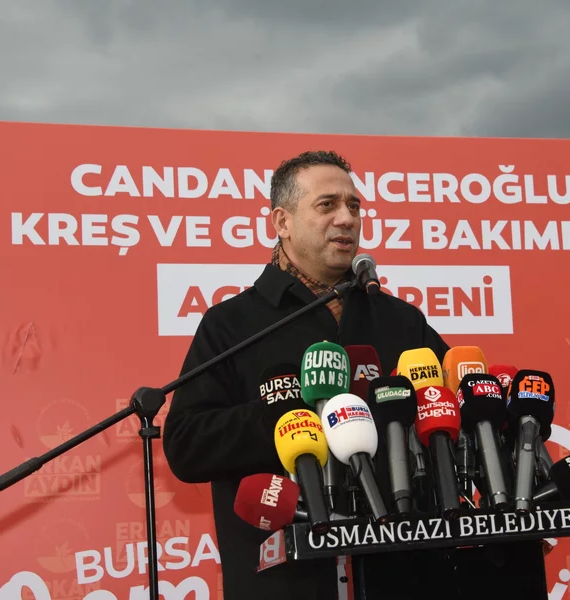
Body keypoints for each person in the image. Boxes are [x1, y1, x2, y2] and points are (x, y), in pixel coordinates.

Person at [163, 150, 548, 599]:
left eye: (354, 206)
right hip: (291, 582)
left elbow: (459, 412)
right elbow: (186, 445)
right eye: (327, 205)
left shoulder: (400, 320)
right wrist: (291, 416)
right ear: (282, 222)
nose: (346, 218)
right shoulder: (232, 324)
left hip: (407, 577)